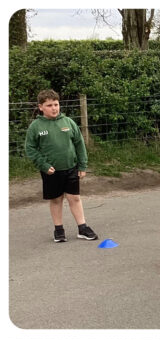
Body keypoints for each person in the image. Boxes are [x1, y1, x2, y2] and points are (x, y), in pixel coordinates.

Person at [24, 90, 98, 243]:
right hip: (51, 171)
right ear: (41, 107)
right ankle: (59, 230)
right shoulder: (36, 126)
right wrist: (43, 164)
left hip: (71, 167)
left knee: (74, 198)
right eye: (49, 105)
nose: (54, 108)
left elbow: (79, 144)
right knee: (56, 200)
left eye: (56, 104)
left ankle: (82, 228)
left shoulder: (68, 122)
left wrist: (82, 166)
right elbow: (30, 148)